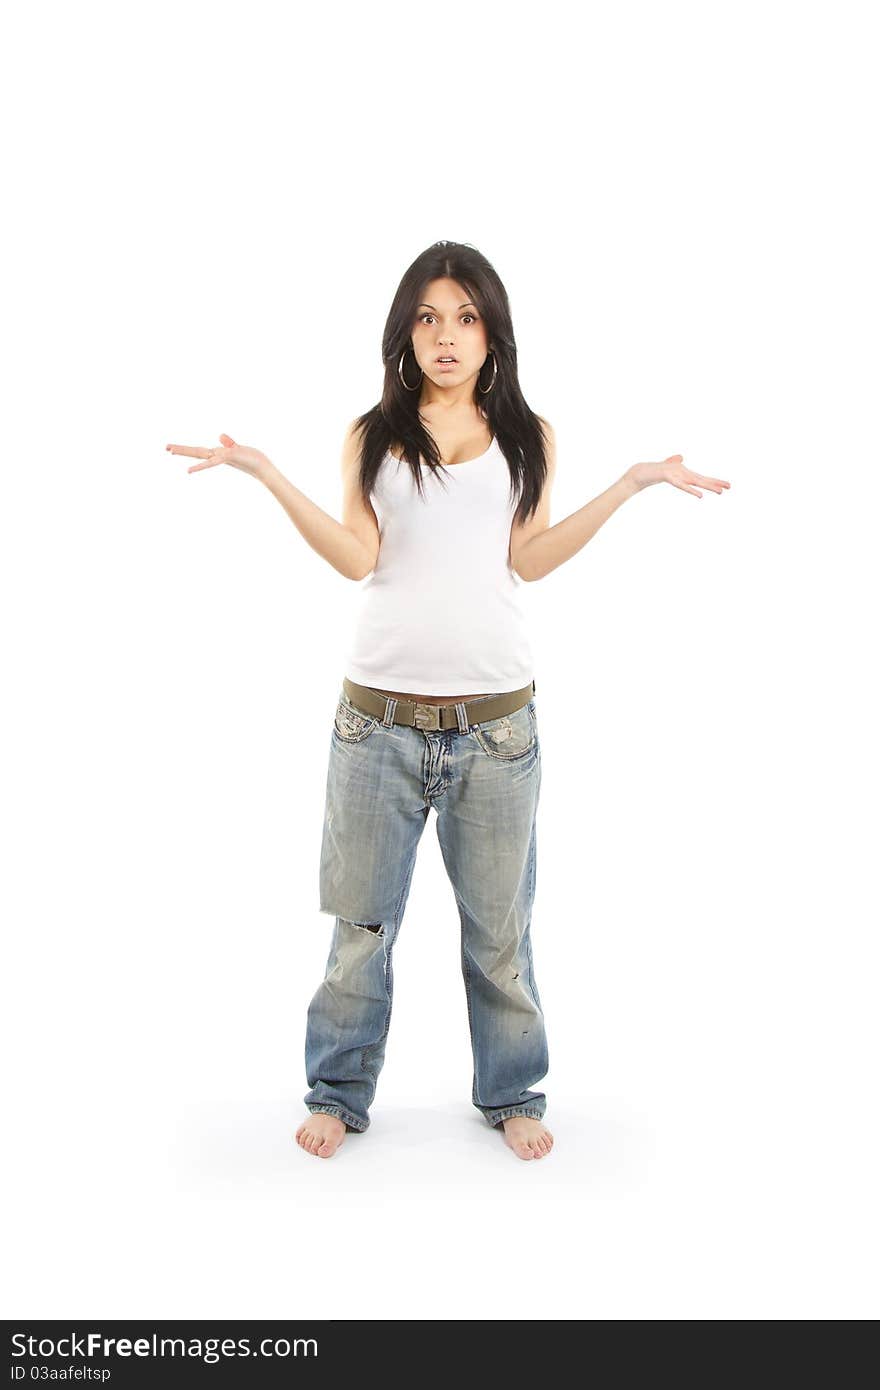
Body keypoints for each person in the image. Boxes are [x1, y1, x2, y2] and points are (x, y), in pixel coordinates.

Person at [166, 240, 730, 1162]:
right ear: (405, 331)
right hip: (375, 726)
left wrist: (631, 485)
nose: (446, 336)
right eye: (427, 317)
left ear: (491, 331)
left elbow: (529, 558)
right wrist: (267, 475)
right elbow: (359, 557)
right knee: (360, 926)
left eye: (465, 317)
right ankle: (338, 1093)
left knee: (500, 932)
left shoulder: (527, 435)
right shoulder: (374, 433)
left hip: (497, 730)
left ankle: (511, 1092)